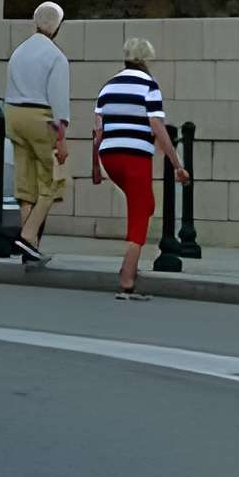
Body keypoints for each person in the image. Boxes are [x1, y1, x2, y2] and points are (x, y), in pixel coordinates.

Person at [89, 35, 185, 299]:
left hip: (110, 157)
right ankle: (127, 278)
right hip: (135, 156)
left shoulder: (107, 87)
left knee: (145, 204)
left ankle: (128, 268)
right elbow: (157, 126)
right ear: (146, 60)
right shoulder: (149, 86)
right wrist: (176, 163)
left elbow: (98, 130)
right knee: (141, 213)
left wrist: (95, 167)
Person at [2, 0, 73, 266]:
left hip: (14, 114)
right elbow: (59, 101)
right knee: (55, 179)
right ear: (58, 27)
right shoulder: (56, 56)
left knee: (26, 181)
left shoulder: (19, 52)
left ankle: (30, 247)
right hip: (40, 117)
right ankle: (28, 235)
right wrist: (61, 138)